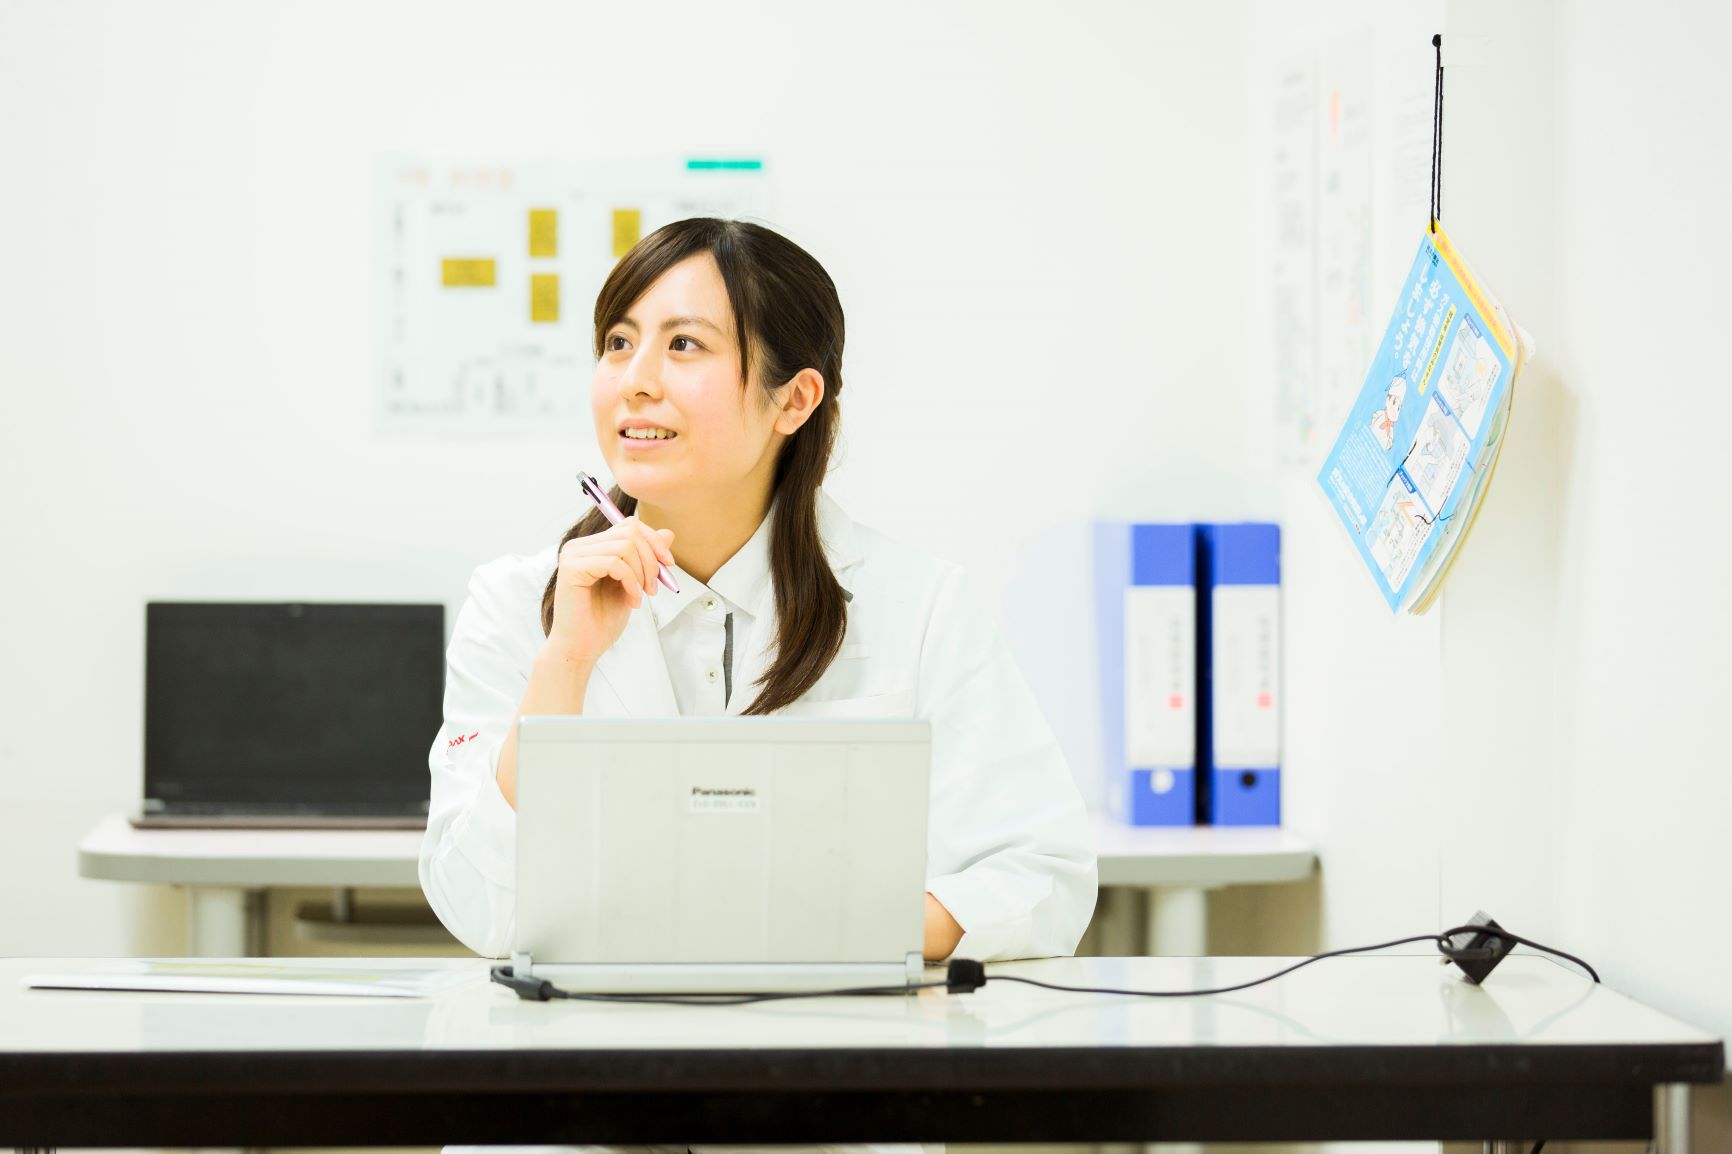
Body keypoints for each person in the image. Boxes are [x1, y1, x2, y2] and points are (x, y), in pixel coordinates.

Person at [420, 219, 1097, 1150]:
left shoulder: (920, 604)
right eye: (618, 342)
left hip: (832, 1104)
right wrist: (564, 664)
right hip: (572, 1106)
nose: (635, 378)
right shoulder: (516, 606)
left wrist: (832, 925)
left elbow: (1045, 877)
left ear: (794, 399)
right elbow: (477, 907)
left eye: (683, 344)